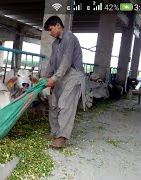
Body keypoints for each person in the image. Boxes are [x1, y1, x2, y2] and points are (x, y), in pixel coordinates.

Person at [43, 16, 86, 148]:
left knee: (65, 105)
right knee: (53, 103)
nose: (50, 33)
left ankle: (62, 137)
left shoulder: (69, 38)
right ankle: (55, 132)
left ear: (57, 26)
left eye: (50, 30)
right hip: (61, 77)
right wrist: (45, 78)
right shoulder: (55, 44)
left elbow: (66, 62)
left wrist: (54, 79)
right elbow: (52, 63)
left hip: (73, 76)